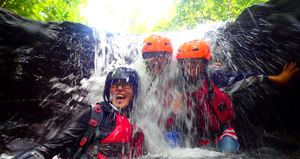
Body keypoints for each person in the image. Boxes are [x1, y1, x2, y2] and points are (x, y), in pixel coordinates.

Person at [175, 39, 299, 154]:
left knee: (228, 153)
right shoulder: (180, 83)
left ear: (205, 62)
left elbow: (245, 77)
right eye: (187, 61)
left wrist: (276, 78)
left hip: (224, 131)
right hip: (200, 136)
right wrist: (176, 112)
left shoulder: (217, 77)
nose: (191, 65)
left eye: (196, 61)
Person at [14, 67, 145, 159]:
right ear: (108, 91)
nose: (119, 89)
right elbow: (51, 147)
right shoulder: (93, 114)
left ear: (134, 91)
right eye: (114, 85)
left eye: (126, 84)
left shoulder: (140, 125)